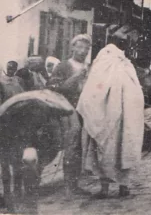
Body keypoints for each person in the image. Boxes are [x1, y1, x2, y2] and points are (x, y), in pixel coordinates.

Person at [77, 35, 145, 199]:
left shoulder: (103, 62)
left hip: (106, 118)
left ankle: (105, 188)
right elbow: (137, 96)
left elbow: (92, 92)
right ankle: (124, 186)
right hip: (125, 120)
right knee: (123, 149)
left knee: (104, 152)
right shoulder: (127, 65)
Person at [47, 34, 92, 196]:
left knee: (80, 148)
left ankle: (74, 183)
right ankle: (69, 186)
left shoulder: (89, 66)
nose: (82, 51)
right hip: (68, 110)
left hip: (84, 110)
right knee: (71, 148)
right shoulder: (63, 66)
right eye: (79, 47)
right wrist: (76, 77)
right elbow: (53, 87)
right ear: (72, 48)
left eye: (86, 48)